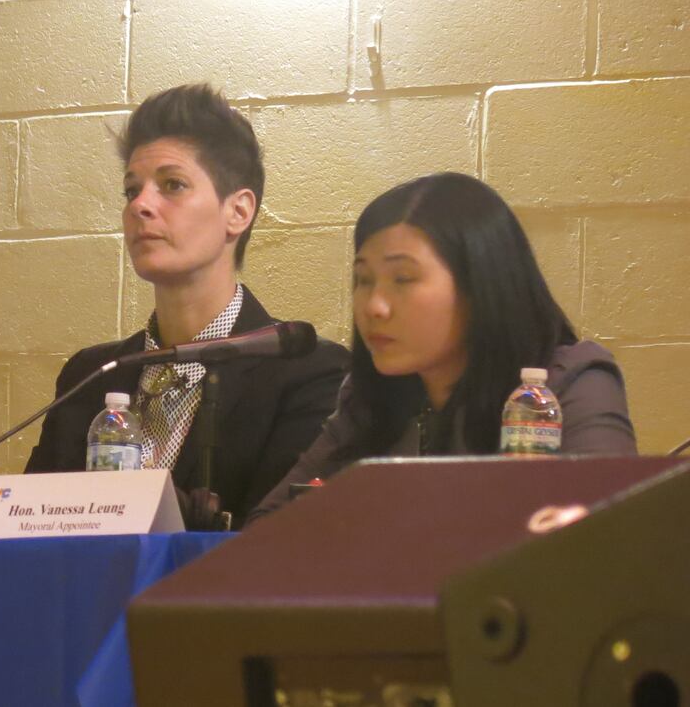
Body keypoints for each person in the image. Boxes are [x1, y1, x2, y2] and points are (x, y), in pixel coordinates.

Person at [24, 84, 349, 528]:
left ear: (238, 211)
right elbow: (31, 533)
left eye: (172, 185)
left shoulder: (308, 371)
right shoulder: (88, 375)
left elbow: (277, 543)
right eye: (131, 190)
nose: (141, 205)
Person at [249, 172, 636, 524]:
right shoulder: (369, 399)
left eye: (403, 278)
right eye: (363, 280)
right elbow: (266, 530)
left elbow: (607, 536)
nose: (373, 307)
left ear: (480, 286)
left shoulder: (569, 382)